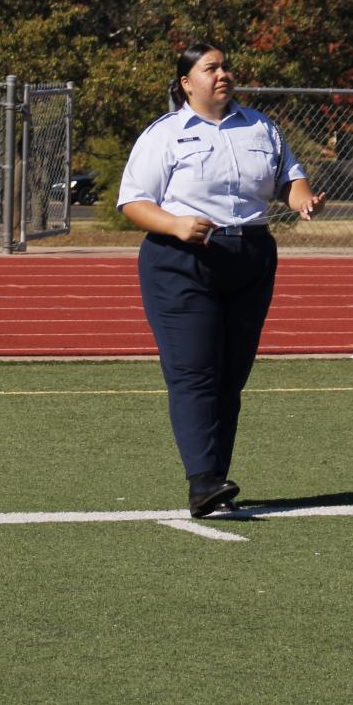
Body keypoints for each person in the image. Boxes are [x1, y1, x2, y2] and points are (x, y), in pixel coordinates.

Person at [117, 43, 327, 518]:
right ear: (186, 83)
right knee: (195, 371)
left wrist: (303, 200)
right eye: (210, 68)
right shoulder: (164, 135)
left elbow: (288, 178)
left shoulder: (260, 126)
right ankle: (203, 481)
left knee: (231, 376)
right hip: (182, 259)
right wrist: (174, 225)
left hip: (250, 256)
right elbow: (133, 202)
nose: (222, 74)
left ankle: (215, 478)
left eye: (225, 66)